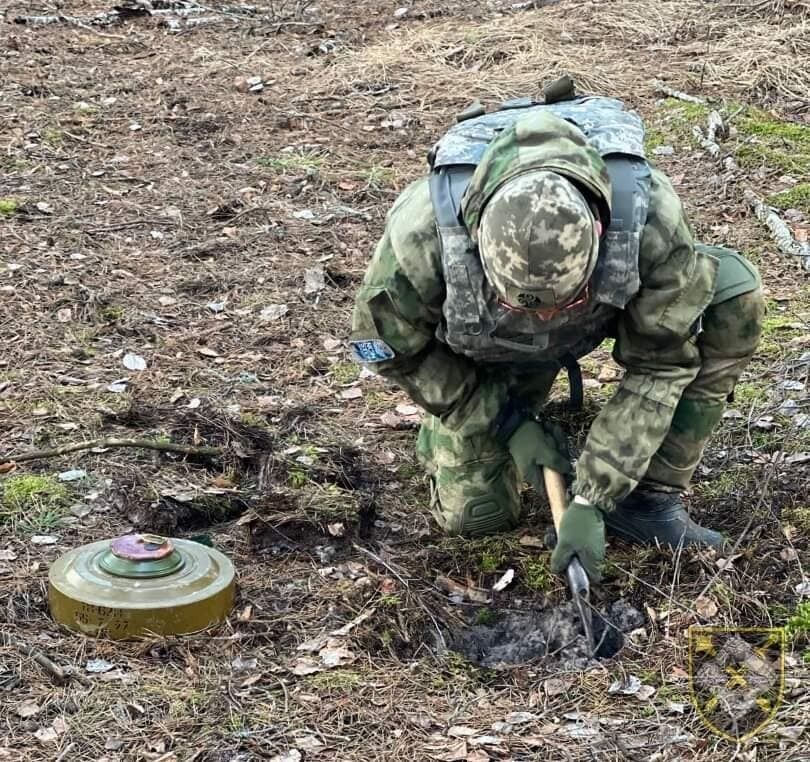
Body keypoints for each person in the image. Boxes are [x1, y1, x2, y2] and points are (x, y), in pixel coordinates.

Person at [349, 81, 764, 583]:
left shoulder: (649, 221)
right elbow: (386, 346)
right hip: (490, 354)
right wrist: (503, 420)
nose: (543, 318)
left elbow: (660, 361)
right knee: (477, 519)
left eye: (563, 302)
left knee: (734, 298)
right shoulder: (422, 241)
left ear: (598, 234)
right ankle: (461, 425)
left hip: (601, 324)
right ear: (477, 245)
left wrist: (595, 495)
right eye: (518, 303)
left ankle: (648, 499)